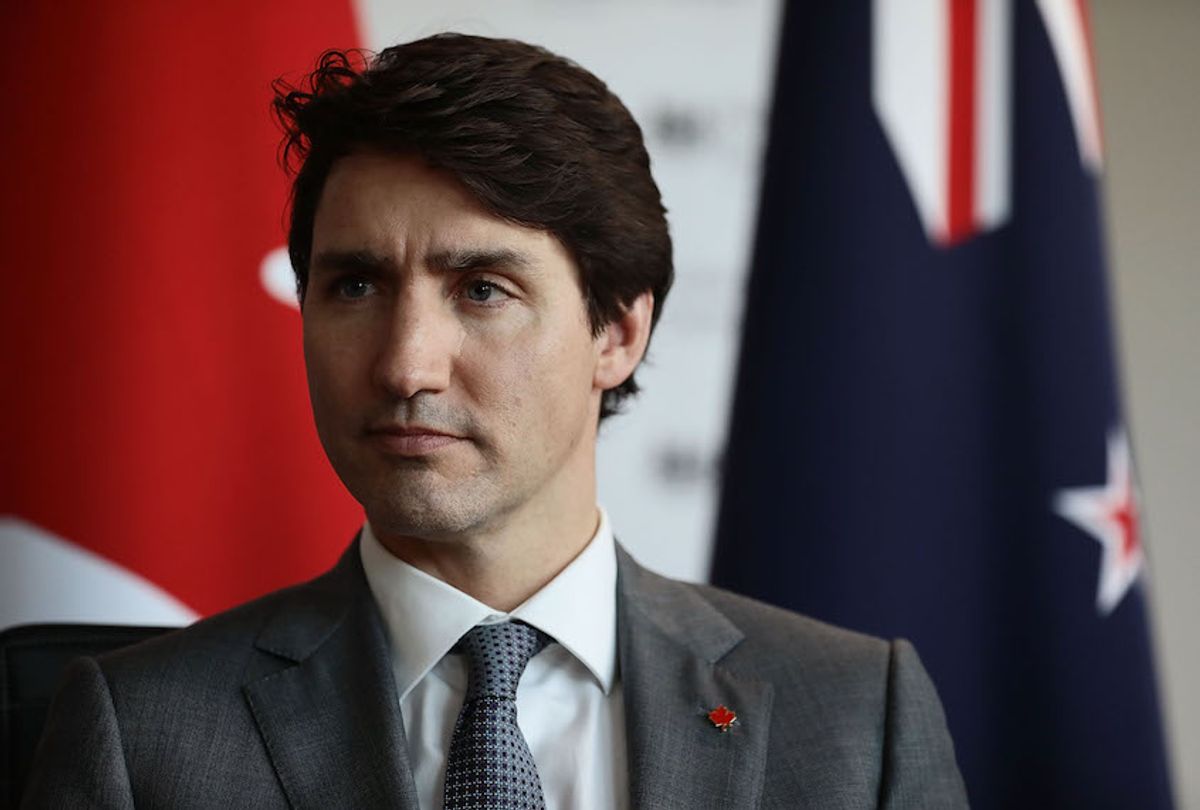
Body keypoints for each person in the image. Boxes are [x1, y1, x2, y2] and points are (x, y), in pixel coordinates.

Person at [23, 33, 968, 809]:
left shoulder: (852, 718)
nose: (404, 365)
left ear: (618, 332)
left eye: (482, 290)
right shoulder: (138, 733)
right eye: (354, 285)